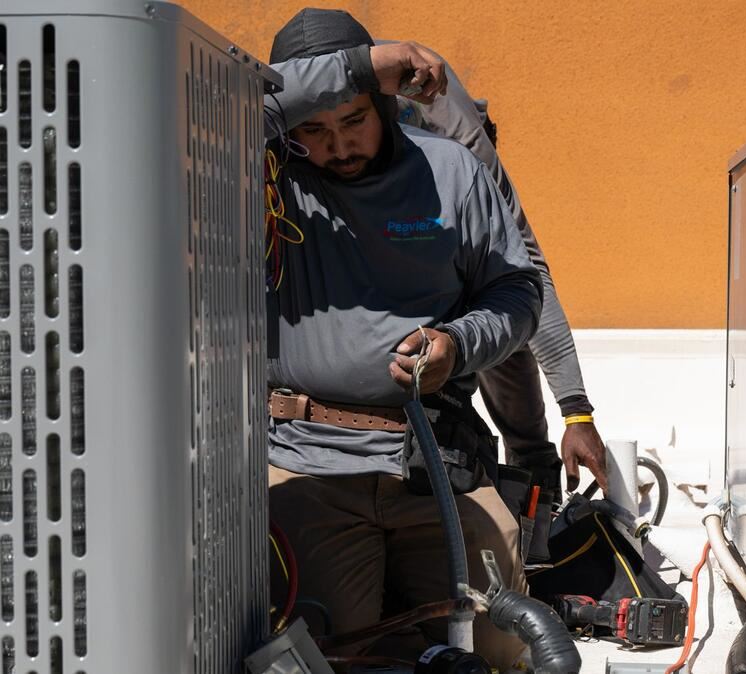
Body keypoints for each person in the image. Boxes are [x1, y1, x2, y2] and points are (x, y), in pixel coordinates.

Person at [262, 8, 540, 670]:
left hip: (435, 461)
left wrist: (459, 344)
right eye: (315, 129)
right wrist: (358, 69)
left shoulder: (450, 171)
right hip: (307, 466)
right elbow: (221, 107)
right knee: (316, 652)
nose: (338, 145)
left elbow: (517, 294)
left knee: (507, 649)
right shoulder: (266, 175)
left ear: (386, 106)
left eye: (354, 118)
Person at [392, 57, 609, 502]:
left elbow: (528, 280)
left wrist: (576, 413)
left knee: (502, 305)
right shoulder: (354, 136)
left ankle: (532, 488)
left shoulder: (469, 157)